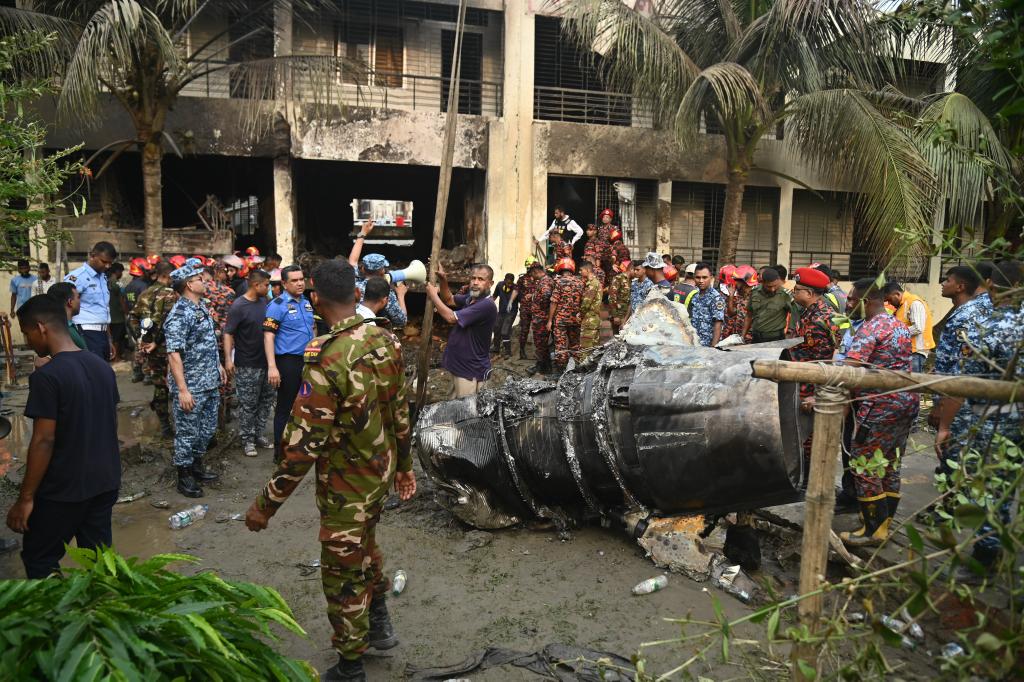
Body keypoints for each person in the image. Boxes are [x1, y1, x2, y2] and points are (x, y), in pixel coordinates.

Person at [245, 260, 416, 682]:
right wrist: (404, 467)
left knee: (342, 574)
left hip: (345, 488)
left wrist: (265, 506)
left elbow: (303, 449)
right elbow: (400, 410)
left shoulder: (325, 359)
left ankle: (351, 665)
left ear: (316, 298)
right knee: (367, 548)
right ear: (357, 295)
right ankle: (379, 624)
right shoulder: (386, 341)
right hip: (378, 475)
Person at [5, 294, 120, 578]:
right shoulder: (102, 367)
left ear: (42, 328)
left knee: (40, 558)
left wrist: (26, 498)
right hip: (105, 481)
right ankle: (103, 614)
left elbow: (44, 440)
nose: (28, 340)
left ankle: (54, 619)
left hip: (65, 488)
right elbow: (107, 421)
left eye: (27, 332)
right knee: (100, 560)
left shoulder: (47, 377)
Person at [938, 261, 1023, 580]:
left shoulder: (987, 326)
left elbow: (962, 384)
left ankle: (985, 560)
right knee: (1007, 487)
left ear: (992, 286)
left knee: (986, 488)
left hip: (992, 420)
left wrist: (946, 427)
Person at [840, 280, 919, 548]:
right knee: (890, 463)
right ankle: (884, 526)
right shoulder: (898, 325)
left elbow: (851, 366)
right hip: (906, 401)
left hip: (879, 405)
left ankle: (872, 529)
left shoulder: (870, 328)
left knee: (864, 463)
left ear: (867, 301)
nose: (849, 304)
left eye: (852, 300)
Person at [164, 260, 225, 498]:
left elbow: (207, 343)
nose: (205, 281)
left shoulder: (201, 308)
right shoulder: (180, 314)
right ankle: (184, 475)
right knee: (187, 432)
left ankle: (197, 466)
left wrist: (218, 364)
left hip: (209, 380)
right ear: (189, 284)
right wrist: (182, 390)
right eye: (200, 279)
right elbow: (173, 354)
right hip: (191, 386)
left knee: (207, 429)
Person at [931, 265, 991, 476]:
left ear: (960, 287)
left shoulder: (965, 315)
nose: (943, 283)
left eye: (947, 280)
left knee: (954, 459)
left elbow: (959, 372)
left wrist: (941, 411)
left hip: (960, 405)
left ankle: (952, 502)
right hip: (975, 403)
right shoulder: (985, 308)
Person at [265, 265, 316, 460]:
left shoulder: (306, 303)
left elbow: (312, 329)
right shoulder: (277, 305)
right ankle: (280, 451)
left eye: (301, 279)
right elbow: (268, 337)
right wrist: (272, 367)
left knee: (304, 404)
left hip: (307, 361)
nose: (300, 283)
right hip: (288, 362)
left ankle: (299, 445)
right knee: (285, 407)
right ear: (284, 284)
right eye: (294, 280)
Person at [425, 263, 497, 397]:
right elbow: (449, 299)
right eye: (473, 278)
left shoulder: (487, 305)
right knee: (454, 408)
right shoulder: (472, 299)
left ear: (490, 283)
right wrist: (443, 279)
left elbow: (451, 318)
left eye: (481, 279)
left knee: (466, 413)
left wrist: (433, 295)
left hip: (470, 370)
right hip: (459, 365)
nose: (475, 282)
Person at [224, 269, 276, 459]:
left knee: (265, 401)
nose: (268, 288)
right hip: (247, 364)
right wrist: (229, 359)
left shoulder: (265, 302)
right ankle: (247, 440)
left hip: (267, 362)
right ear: (256, 285)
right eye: (266, 285)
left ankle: (258, 434)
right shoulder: (239, 306)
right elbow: (228, 333)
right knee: (248, 404)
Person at [140, 263, 179, 438]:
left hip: (150, 348)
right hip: (166, 348)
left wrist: (141, 341)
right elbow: (168, 324)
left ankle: (164, 424)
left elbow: (132, 318)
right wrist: (156, 341)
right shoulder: (169, 294)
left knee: (159, 385)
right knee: (174, 385)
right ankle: (174, 426)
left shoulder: (145, 293)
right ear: (168, 276)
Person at [347, 221, 409, 329]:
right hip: (376, 335)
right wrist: (401, 295)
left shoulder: (354, 283)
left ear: (363, 269)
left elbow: (352, 261)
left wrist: (363, 232)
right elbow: (401, 322)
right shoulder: (386, 293)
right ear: (382, 271)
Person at [65, 241, 118, 360]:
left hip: (102, 333)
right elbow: (65, 305)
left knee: (102, 371)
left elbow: (104, 309)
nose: (108, 266)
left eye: (110, 263)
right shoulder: (77, 277)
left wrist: (109, 339)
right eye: (104, 262)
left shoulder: (103, 277)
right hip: (85, 331)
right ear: (92, 255)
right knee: (93, 372)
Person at [883, 280, 934, 373]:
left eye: (889, 300)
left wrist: (895, 333)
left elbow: (918, 328)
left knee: (912, 384)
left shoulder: (914, 302)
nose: (889, 303)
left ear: (897, 294)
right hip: (906, 352)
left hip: (915, 352)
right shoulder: (900, 306)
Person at [548, 258, 584, 374]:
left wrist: (549, 320)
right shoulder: (580, 282)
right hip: (576, 319)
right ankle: (576, 370)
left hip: (561, 320)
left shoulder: (558, 282)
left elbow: (554, 302)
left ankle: (561, 372)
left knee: (560, 346)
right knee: (575, 345)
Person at [743, 267, 796, 343]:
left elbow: (795, 314)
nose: (773, 289)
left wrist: (789, 334)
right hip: (756, 338)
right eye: (769, 286)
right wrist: (742, 336)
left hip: (776, 339)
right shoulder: (755, 292)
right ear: (763, 282)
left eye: (775, 285)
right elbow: (749, 315)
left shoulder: (785, 295)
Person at [124, 258, 152, 382]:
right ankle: (146, 374)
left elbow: (124, 304)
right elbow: (147, 306)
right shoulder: (143, 286)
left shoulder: (128, 286)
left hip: (131, 319)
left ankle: (136, 372)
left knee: (136, 345)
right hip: (142, 319)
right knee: (145, 345)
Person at [689, 262, 725, 347]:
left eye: (704, 277)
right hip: (695, 343)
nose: (701, 281)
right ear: (694, 278)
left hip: (708, 346)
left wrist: (713, 348)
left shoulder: (716, 298)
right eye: (698, 277)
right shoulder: (695, 295)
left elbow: (718, 324)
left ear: (711, 278)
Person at [527, 263, 554, 375]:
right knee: (542, 344)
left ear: (536, 272)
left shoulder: (545, 281)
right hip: (541, 317)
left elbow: (546, 297)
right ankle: (544, 366)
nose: (532, 277)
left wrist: (533, 297)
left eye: (532, 274)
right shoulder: (545, 280)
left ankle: (542, 368)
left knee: (540, 343)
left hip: (542, 318)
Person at [46, 282, 88, 351]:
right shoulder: (65, 330)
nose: (80, 301)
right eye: (78, 297)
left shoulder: (56, 327)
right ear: (70, 302)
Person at [515, 258, 538, 360]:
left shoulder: (540, 278)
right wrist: (511, 302)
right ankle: (522, 351)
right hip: (525, 308)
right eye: (529, 267)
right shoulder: (522, 279)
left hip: (537, 309)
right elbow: (516, 291)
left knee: (538, 330)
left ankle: (538, 352)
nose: (530, 269)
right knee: (524, 330)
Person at [578, 261, 602, 356]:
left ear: (587, 270)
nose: (580, 272)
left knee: (585, 349)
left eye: (581, 270)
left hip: (589, 320)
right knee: (593, 349)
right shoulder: (595, 282)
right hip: (594, 319)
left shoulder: (592, 284)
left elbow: (586, 304)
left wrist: (580, 314)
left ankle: (583, 370)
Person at [491, 273, 517, 357]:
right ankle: (496, 348)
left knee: (505, 331)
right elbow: (494, 296)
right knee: (496, 327)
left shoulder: (516, 288)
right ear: (504, 280)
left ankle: (508, 352)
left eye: (511, 283)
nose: (509, 285)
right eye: (507, 283)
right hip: (502, 311)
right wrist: (489, 303)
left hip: (511, 312)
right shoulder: (499, 285)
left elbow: (521, 300)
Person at [106, 263, 128, 360]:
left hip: (108, 316)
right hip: (118, 316)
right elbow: (122, 299)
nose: (122, 274)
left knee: (110, 338)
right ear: (117, 271)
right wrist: (125, 311)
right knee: (117, 338)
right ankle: (117, 357)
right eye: (121, 271)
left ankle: (110, 356)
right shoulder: (119, 283)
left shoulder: (105, 282)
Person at [582, 224, 610, 288]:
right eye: (587, 230)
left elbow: (598, 256)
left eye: (590, 230)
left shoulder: (597, 242)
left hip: (593, 268)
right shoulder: (588, 242)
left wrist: (597, 268)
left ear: (595, 232)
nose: (587, 231)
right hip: (587, 267)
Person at [608, 258, 632, 334]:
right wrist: (615, 315)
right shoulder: (619, 278)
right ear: (631, 269)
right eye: (635, 269)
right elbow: (612, 297)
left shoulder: (632, 281)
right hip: (618, 315)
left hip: (627, 315)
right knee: (617, 337)